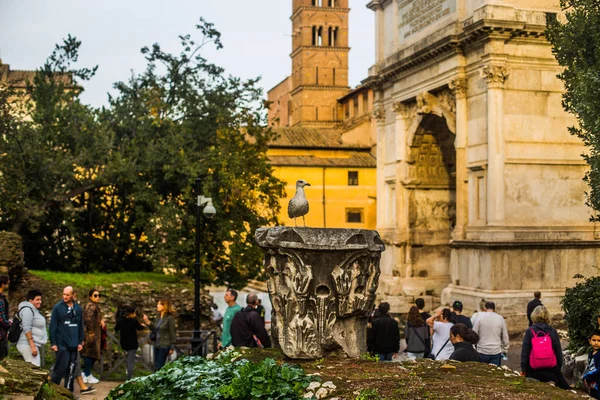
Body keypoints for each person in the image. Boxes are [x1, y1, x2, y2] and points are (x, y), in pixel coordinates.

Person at [520, 305, 569, 389]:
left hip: (533, 371)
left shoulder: (530, 331)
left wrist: (523, 369)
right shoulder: (552, 331)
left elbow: (525, 352)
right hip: (551, 371)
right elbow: (558, 351)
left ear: (534, 315)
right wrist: (558, 368)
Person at [49, 286, 85, 393]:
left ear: (73, 295)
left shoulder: (78, 309)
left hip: (74, 343)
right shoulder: (57, 308)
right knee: (60, 368)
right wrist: (53, 343)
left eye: (67, 295)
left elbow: (80, 325)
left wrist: (80, 340)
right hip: (61, 343)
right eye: (63, 294)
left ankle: (68, 393)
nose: (65, 296)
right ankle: (51, 392)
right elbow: (52, 326)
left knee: (71, 370)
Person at [143, 298, 177, 371]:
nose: (157, 306)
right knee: (156, 366)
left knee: (159, 366)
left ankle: (160, 381)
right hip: (156, 344)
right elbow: (155, 329)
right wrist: (147, 322)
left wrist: (172, 347)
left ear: (164, 306)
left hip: (164, 344)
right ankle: (158, 381)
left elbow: (172, 333)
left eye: (159, 304)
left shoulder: (170, 318)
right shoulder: (158, 317)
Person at [16, 289, 48, 366]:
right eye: (37, 299)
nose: (40, 301)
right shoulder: (27, 310)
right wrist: (32, 346)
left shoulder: (34, 310)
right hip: (27, 345)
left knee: (34, 370)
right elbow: (26, 328)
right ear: (30, 300)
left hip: (31, 345)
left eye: (40, 299)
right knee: (35, 370)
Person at [115, 305, 146, 380]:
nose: (135, 314)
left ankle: (127, 373)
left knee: (127, 359)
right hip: (132, 343)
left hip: (124, 343)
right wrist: (143, 325)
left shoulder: (120, 320)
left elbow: (116, 328)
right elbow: (140, 327)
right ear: (131, 314)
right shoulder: (134, 321)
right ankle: (129, 377)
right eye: (134, 313)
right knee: (131, 361)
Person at [473, 301, 509, 366]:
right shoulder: (500, 318)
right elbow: (505, 336)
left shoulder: (479, 318)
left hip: (482, 350)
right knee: (494, 374)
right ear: (494, 309)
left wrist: (474, 347)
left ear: (485, 308)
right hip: (496, 351)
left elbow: (474, 333)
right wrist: (505, 349)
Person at [82, 289, 103, 384]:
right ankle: (86, 374)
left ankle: (86, 373)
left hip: (94, 334)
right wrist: (90, 332)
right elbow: (87, 319)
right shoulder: (91, 306)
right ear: (90, 296)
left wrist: (100, 321)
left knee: (93, 354)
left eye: (99, 295)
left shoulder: (94, 306)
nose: (97, 297)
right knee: (89, 354)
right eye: (95, 295)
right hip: (91, 335)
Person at [583, 329, 600, 399]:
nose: (596, 343)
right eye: (594, 340)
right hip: (593, 384)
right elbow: (590, 367)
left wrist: (586, 376)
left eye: (599, 341)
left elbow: (599, 370)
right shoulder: (591, 354)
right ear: (590, 341)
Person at [0, 275, 10, 360]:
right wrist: (10, 323)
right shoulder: (0, 299)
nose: (8, 285)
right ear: (3, 284)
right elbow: (1, 319)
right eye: (7, 283)